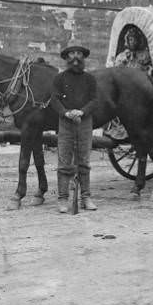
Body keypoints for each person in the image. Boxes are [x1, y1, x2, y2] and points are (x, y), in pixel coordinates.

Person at [51, 42, 98, 213]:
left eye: (79, 53)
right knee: (64, 162)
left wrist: (82, 112)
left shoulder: (90, 79)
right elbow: (54, 100)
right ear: (66, 58)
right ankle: (63, 199)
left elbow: (94, 100)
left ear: (84, 58)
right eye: (72, 54)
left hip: (84, 123)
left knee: (84, 161)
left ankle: (86, 197)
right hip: (66, 124)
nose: (76, 57)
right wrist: (65, 113)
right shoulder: (59, 79)